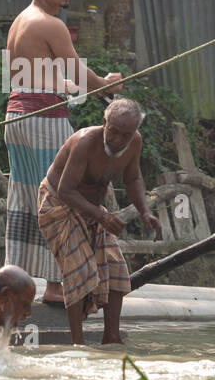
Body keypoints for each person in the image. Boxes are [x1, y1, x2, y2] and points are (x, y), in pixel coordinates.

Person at [4, 0, 121, 307]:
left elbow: (36, 75)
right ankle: (56, 285)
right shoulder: (50, 23)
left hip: (17, 117)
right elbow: (75, 67)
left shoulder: (21, 20)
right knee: (60, 194)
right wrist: (106, 84)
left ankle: (15, 281)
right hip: (43, 120)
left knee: (27, 195)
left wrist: (73, 86)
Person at [37, 98, 161, 345]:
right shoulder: (85, 141)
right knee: (79, 269)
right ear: (104, 123)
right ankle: (77, 343)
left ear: (134, 132)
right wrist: (102, 216)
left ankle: (111, 337)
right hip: (58, 204)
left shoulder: (134, 143)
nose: (117, 139)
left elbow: (133, 179)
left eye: (125, 134)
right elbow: (65, 190)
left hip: (92, 209)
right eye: (113, 131)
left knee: (116, 268)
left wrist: (145, 212)